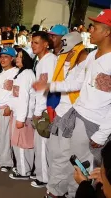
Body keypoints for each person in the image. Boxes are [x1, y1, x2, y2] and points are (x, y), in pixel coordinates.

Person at [33, 10, 111, 197]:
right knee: (69, 161)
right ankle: (61, 192)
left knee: (85, 168)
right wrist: (50, 86)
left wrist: (103, 133)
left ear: (107, 32)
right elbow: (75, 81)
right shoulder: (92, 56)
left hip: (95, 125)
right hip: (77, 117)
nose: (90, 30)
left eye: (95, 27)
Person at [34, 32, 88, 198]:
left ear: (76, 50)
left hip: (76, 117)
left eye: (67, 52)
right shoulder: (71, 65)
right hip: (61, 114)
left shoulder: (87, 64)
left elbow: (74, 85)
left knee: (69, 159)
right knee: (58, 156)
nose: (63, 56)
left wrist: (49, 85)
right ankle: (59, 190)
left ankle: (62, 192)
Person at [31, 31, 58, 188]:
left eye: (36, 42)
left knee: (43, 144)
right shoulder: (41, 61)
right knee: (41, 144)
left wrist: (38, 111)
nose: (33, 45)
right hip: (43, 107)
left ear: (46, 44)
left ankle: (44, 177)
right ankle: (42, 173)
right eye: (32, 42)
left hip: (46, 109)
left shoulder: (48, 61)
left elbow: (44, 88)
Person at [8, 48, 36, 180]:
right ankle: (23, 167)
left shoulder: (26, 75)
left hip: (22, 115)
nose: (17, 58)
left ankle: (24, 170)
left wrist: (20, 118)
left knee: (22, 144)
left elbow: (24, 98)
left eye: (20, 56)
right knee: (21, 143)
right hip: (19, 113)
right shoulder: (23, 73)